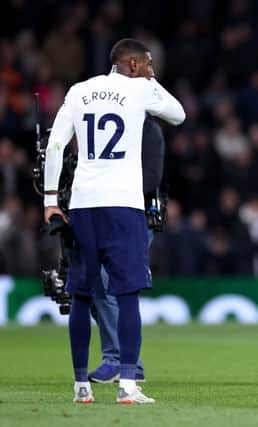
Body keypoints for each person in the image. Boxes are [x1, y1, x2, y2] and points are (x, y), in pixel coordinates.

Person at [43, 38, 185, 404]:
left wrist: (48, 201)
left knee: (80, 295)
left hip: (84, 204)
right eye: (149, 64)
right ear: (134, 65)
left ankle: (80, 387)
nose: (153, 71)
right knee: (127, 295)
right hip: (124, 207)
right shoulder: (140, 88)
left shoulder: (79, 91)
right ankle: (127, 385)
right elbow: (178, 114)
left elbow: (57, 144)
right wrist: (149, 83)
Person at [88, 116, 165, 384]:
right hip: (103, 214)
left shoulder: (148, 130)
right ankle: (129, 362)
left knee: (109, 283)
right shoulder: (108, 125)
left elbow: (151, 178)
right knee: (96, 285)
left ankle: (118, 360)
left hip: (137, 217)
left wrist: (112, 189)